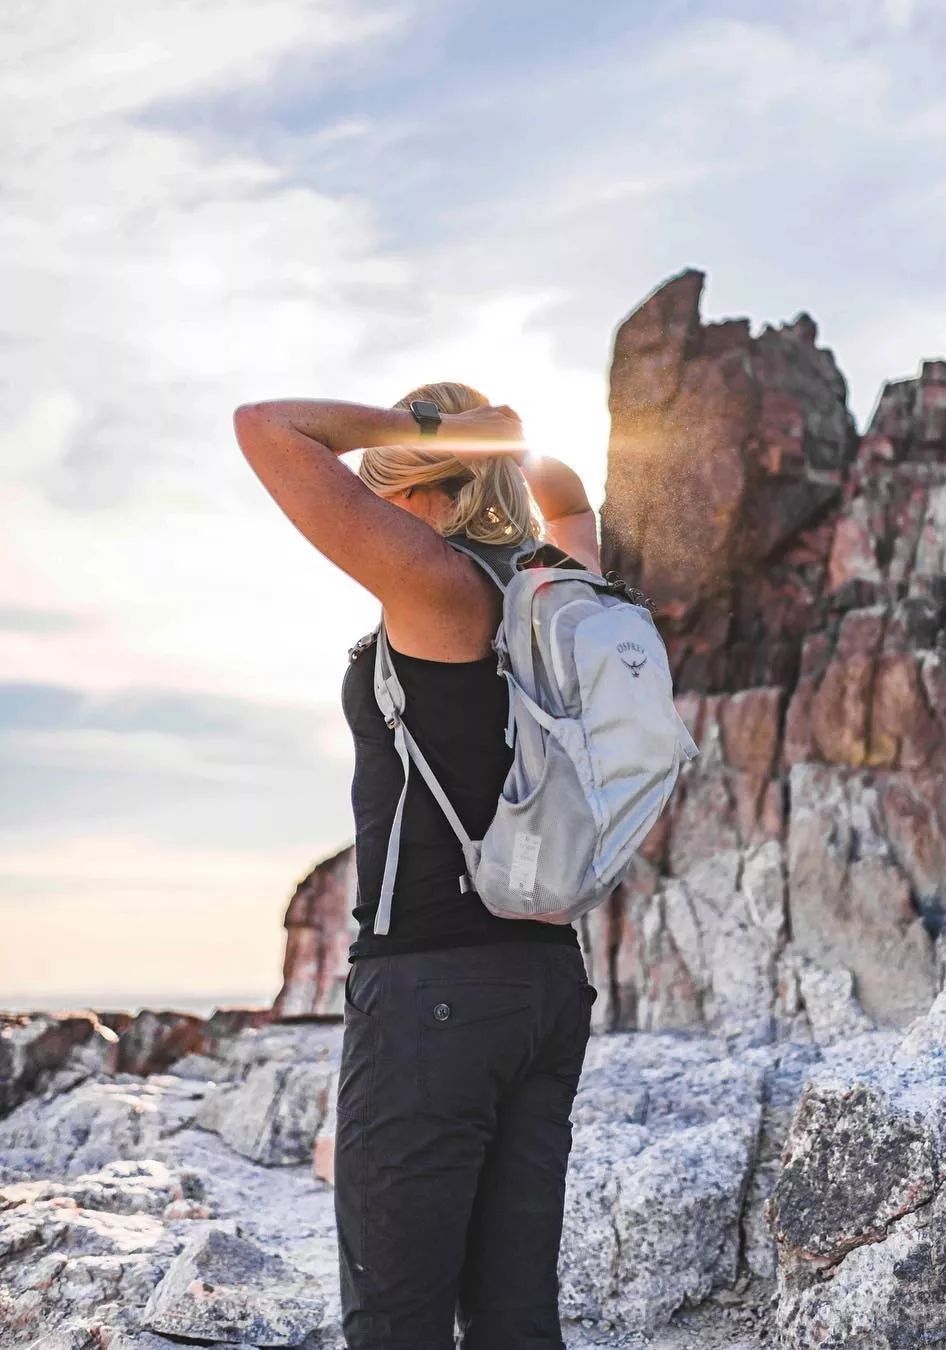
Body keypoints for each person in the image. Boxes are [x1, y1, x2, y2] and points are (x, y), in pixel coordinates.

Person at [232, 380, 601, 1349]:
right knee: (517, 1320)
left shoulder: (439, 586)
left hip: (432, 991)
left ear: (414, 490)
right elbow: (573, 506)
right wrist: (515, 456)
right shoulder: (556, 590)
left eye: (379, 488)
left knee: (397, 1323)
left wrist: (439, 431)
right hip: (547, 988)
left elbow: (264, 427)